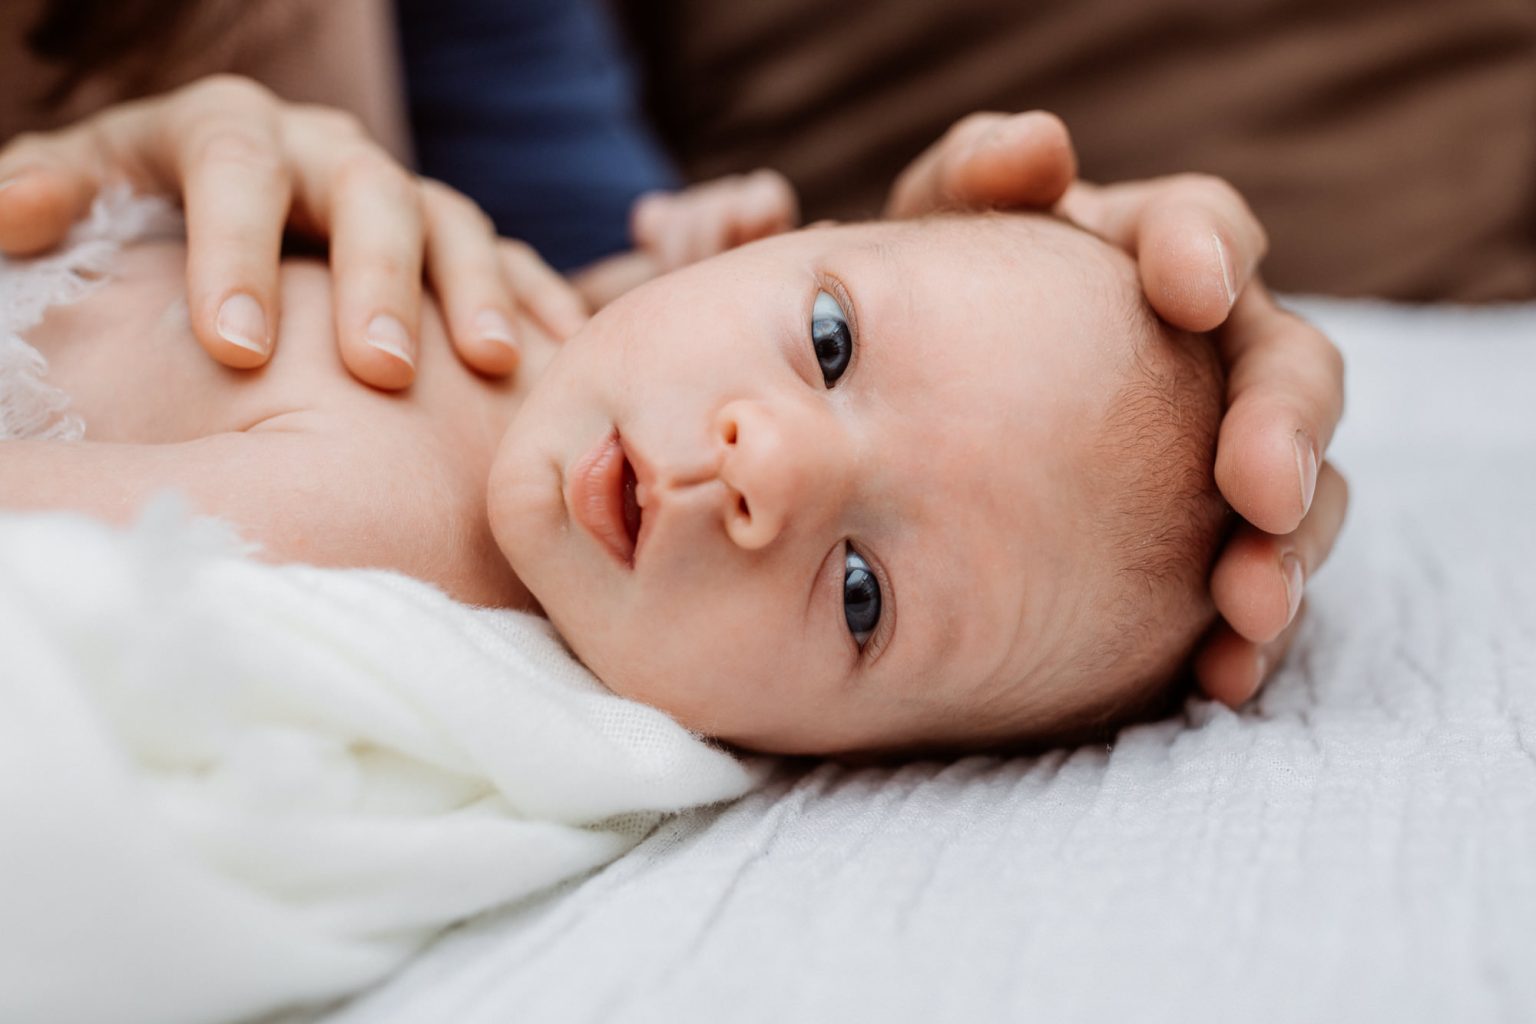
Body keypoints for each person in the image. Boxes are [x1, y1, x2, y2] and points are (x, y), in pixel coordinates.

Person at [0, 80, 1346, 709]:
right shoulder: (559, 331)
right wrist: (630, 273)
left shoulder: (381, 515)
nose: (773, 465)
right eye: (826, 342)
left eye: (862, 594)